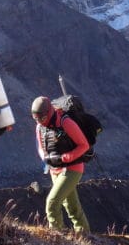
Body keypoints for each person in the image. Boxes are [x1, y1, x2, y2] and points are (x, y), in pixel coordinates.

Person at [32, 96, 91, 234]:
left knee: (52, 203)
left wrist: (65, 158)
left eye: (42, 118)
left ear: (49, 112)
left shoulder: (66, 123)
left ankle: (57, 239)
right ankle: (85, 236)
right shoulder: (40, 126)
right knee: (71, 206)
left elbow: (84, 145)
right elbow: (41, 147)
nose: (40, 122)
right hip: (55, 170)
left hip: (72, 169)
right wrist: (46, 158)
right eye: (36, 119)